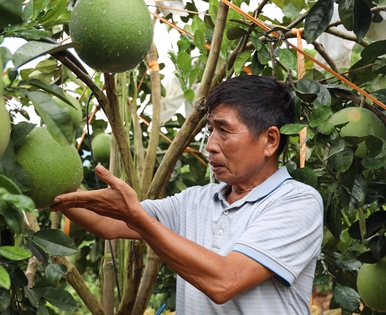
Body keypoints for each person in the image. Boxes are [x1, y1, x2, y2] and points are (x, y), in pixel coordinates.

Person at [52, 75, 324, 315]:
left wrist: (136, 216)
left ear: (270, 140)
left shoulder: (297, 202)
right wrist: (37, 179)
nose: (210, 145)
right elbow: (106, 222)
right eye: (210, 131)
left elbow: (225, 281)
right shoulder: (195, 201)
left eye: (224, 130)